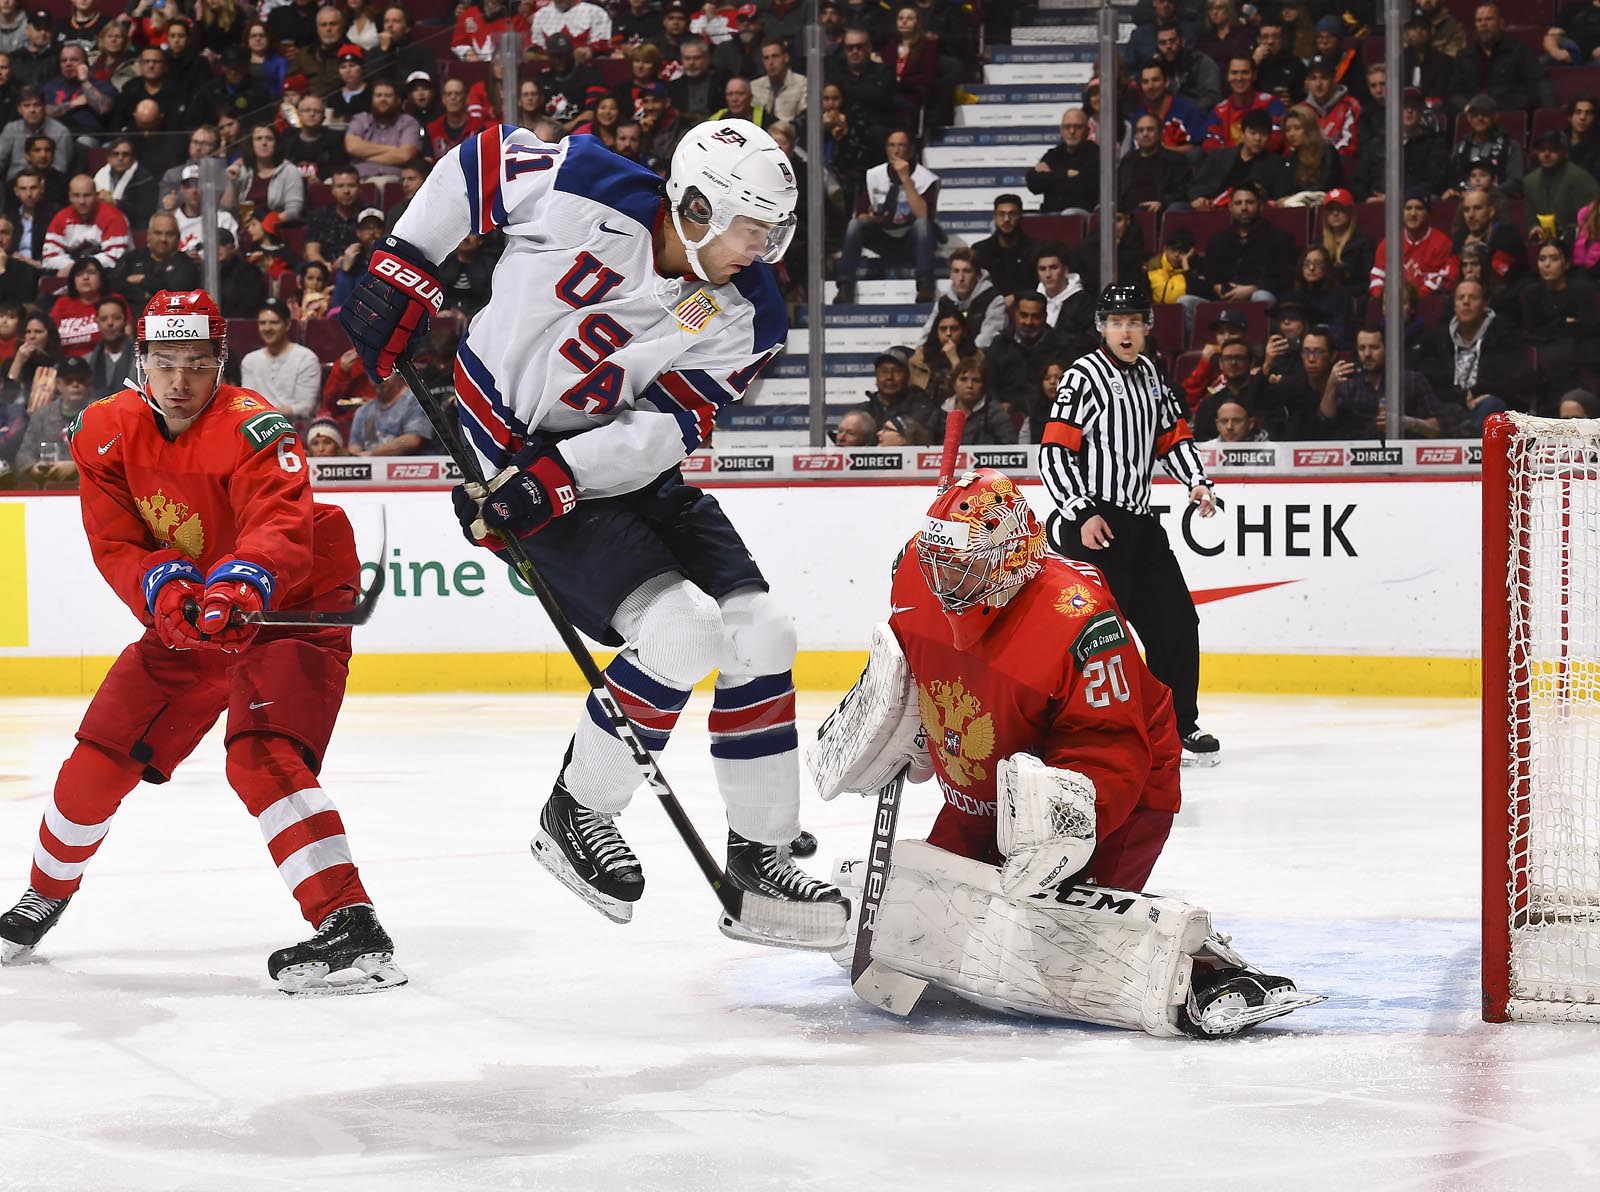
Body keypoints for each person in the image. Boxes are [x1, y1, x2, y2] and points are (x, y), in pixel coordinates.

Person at [338, 118, 848, 940]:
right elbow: (480, 161)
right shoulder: (587, 183)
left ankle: (760, 858)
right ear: (695, 206)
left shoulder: (747, 309)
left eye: (773, 230)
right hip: (505, 457)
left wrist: (566, 480)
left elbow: (667, 428)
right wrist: (405, 261)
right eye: (753, 227)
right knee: (681, 631)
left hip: (608, 467)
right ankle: (577, 812)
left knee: (764, 632)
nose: (764, 248)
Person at [0, 291, 406, 995]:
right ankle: (43, 896)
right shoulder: (100, 432)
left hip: (293, 601)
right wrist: (164, 589)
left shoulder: (257, 426)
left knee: (261, 754)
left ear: (221, 361)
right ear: (141, 363)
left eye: (196, 364)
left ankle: (352, 927)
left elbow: (278, 524)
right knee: (102, 751)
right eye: (164, 364)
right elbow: (118, 542)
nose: (180, 382)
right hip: (191, 611)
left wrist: (241, 586)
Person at [813, 468, 1311, 1034]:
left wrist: (1057, 828)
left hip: (1121, 792)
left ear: (1010, 558)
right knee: (935, 907)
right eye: (936, 560)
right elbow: (907, 666)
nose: (942, 578)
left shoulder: (1080, 619)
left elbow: (1112, 752)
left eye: (962, 563)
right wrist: (899, 722)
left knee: (1065, 933)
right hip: (984, 785)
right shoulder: (913, 577)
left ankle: (1206, 975)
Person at [1038, 283, 1221, 765]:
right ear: (1101, 326)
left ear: (1147, 328)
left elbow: (1172, 437)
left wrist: (1196, 482)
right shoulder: (1084, 376)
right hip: (1092, 522)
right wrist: (1080, 511)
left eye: (1135, 321)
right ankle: (1076, 732)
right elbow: (1055, 452)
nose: (1126, 330)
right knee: (1091, 638)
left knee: (1178, 623)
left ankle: (1178, 726)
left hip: (1138, 524)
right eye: (1117, 322)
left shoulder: (1152, 377)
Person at [836, 129, 940, 304]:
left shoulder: (927, 179)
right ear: (886, 150)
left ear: (911, 150)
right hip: (882, 236)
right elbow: (860, 215)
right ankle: (845, 286)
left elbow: (923, 215)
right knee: (854, 225)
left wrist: (906, 179)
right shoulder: (874, 175)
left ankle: (925, 286)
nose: (896, 151)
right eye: (892, 146)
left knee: (922, 225)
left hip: (912, 241)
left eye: (901, 145)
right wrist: (870, 218)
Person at [1317, 325, 1440, 439]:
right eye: (1362, 348)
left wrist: (1407, 422)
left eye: (1374, 347)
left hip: (1404, 453)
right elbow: (1326, 421)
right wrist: (1331, 385)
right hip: (1359, 455)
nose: (1367, 354)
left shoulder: (1413, 381)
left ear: (1388, 348)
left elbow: (1435, 429)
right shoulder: (1349, 384)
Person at [1447, 2, 1554, 117]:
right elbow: (1453, 93)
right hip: (1472, 118)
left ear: (1501, 23)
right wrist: (1468, 107)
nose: (1483, 24)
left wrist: (1552, 114)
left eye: (1489, 19)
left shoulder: (1519, 51)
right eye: (1479, 20)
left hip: (1508, 116)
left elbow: (1538, 83)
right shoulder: (1464, 56)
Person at [1203, 182, 1295, 304]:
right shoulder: (1217, 241)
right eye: (1238, 203)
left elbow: (1285, 279)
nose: (1244, 208)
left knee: (1262, 297)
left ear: (1261, 206)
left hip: (1259, 296)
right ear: (1230, 207)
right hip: (1223, 299)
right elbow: (1209, 277)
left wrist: (1253, 289)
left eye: (1250, 202)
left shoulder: (1280, 239)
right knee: (1187, 301)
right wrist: (1215, 287)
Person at [1370, 193, 1458, 296]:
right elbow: (1377, 278)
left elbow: (1444, 279)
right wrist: (1385, 298)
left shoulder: (1443, 243)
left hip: (1428, 304)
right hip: (1392, 307)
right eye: (1408, 208)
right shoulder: (1389, 244)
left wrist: (1411, 299)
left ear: (1428, 214)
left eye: (1419, 208)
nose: (1413, 213)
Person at [918, 246, 1004, 350]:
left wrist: (959, 359)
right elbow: (926, 336)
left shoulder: (994, 300)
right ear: (950, 274)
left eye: (967, 271)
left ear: (978, 275)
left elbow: (986, 341)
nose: (961, 278)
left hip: (980, 360)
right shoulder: (944, 302)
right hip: (946, 359)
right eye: (956, 271)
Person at [1026, 108, 1098, 217]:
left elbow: (1082, 187)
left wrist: (1051, 176)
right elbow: (1033, 183)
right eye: (1067, 127)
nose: (1072, 131)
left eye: (1077, 127)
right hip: (1048, 214)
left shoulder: (1096, 154)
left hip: (1081, 215)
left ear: (1087, 131)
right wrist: (1066, 174)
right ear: (1061, 130)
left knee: (1068, 214)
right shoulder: (1054, 154)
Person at [970, 194, 1040, 300]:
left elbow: (1039, 288)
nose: (1006, 219)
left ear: (1021, 216)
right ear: (994, 218)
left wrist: (1016, 297)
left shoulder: (1036, 249)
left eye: (1012, 214)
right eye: (1001, 214)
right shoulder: (980, 250)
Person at [84, 294, 133, 400]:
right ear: (97, 323)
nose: (110, 323)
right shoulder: (87, 362)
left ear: (125, 321)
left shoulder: (141, 360)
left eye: (116, 318)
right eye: (103, 319)